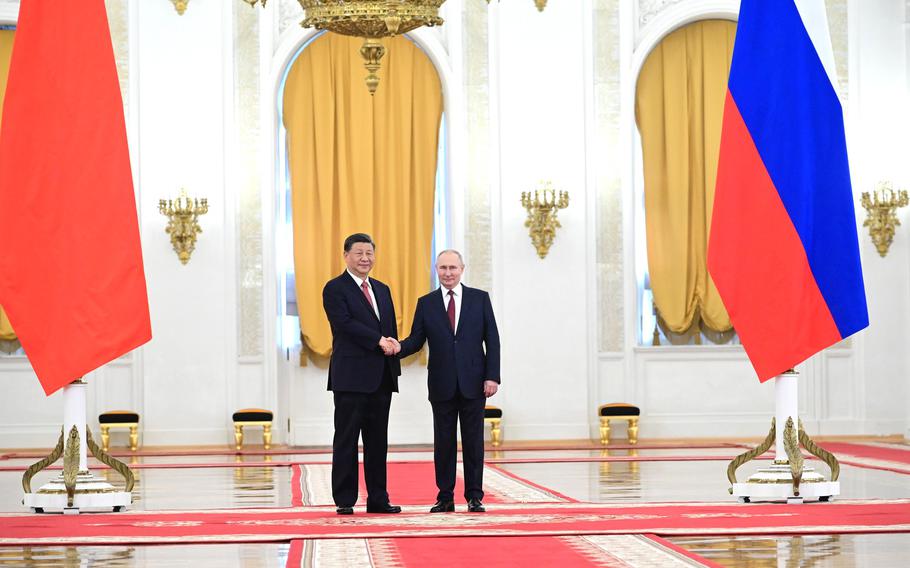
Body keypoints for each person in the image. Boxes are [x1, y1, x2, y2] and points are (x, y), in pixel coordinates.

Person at [393, 249, 500, 513]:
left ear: (462, 269)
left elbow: (493, 339)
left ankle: (475, 496)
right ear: (436, 270)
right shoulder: (426, 303)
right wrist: (397, 348)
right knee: (444, 443)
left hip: (475, 383)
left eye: (453, 268)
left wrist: (492, 376)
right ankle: (445, 496)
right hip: (441, 384)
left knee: (474, 441)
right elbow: (416, 341)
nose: (448, 273)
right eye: (443, 268)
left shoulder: (479, 299)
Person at [322, 233, 402, 515]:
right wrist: (378, 341)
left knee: (378, 441)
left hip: (382, 377)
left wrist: (393, 343)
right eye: (359, 253)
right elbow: (344, 324)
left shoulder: (382, 289)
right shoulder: (335, 288)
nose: (365, 258)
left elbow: (388, 326)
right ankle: (345, 500)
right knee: (346, 439)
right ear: (346, 255)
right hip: (351, 377)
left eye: (369, 253)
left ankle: (378, 499)